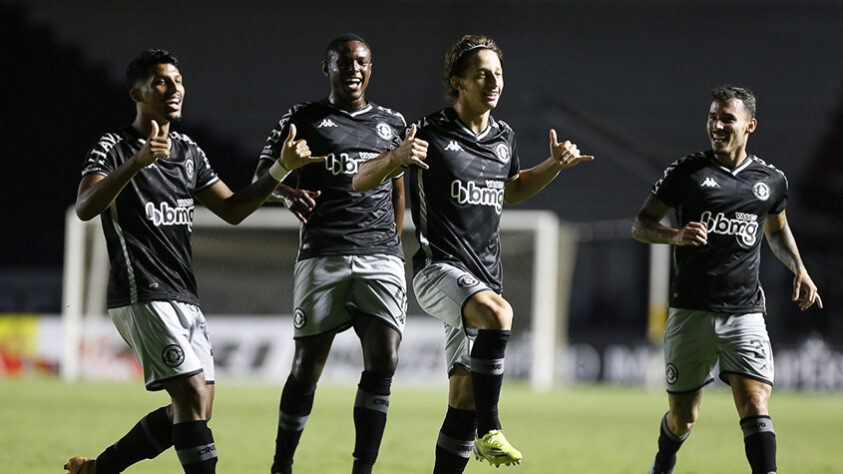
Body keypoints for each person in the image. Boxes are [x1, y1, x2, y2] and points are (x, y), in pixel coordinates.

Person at [65, 49, 322, 474]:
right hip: (140, 291)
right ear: (137, 92)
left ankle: (98, 471)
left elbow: (234, 210)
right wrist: (136, 162)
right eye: (162, 82)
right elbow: (85, 207)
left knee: (195, 408)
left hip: (184, 295)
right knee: (189, 398)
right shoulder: (114, 146)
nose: (175, 89)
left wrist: (279, 171)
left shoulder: (189, 152)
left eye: (179, 81)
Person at [354, 34, 593, 472]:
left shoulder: (504, 137)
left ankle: (474, 431)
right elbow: (360, 179)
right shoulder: (428, 131)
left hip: (483, 280)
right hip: (438, 272)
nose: (493, 81)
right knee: (501, 315)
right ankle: (492, 429)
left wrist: (553, 166)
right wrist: (395, 158)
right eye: (482, 73)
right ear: (458, 81)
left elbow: (513, 189)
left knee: (463, 400)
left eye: (498, 73)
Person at [632, 85, 823, 474]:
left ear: (750, 125)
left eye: (726, 119)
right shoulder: (686, 172)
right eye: (712, 117)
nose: (716, 125)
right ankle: (664, 460)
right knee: (683, 418)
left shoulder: (771, 181)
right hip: (691, 312)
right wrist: (675, 235)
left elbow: (776, 230)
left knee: (755, 402)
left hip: (744, 313)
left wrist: (800, 268)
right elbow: (641, 225)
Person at [252, 34, 408, 474]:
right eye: (344, 63)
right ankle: (282, 464)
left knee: (385, 359)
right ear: (328, 69)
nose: (354, 69)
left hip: (379, 255)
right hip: (323, 253)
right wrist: (285, 194)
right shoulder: (303, 118)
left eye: (362, 62)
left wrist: (393, 248)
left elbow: (400, 192)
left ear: (371, 68)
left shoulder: (392, 123)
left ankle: (363, 468)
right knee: (306, 367)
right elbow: (263, 172)